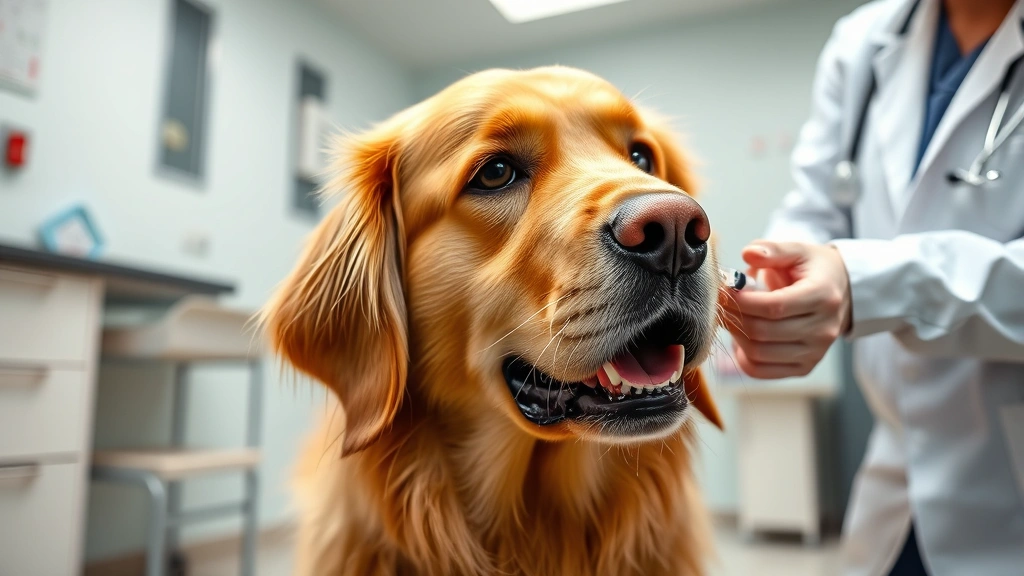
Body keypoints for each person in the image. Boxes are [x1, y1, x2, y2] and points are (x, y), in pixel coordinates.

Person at [721, 0, 1024, 575]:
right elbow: (814, 208)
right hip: (895, 480)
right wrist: (779, 283)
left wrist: (866, 283)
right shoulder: (864, 41)